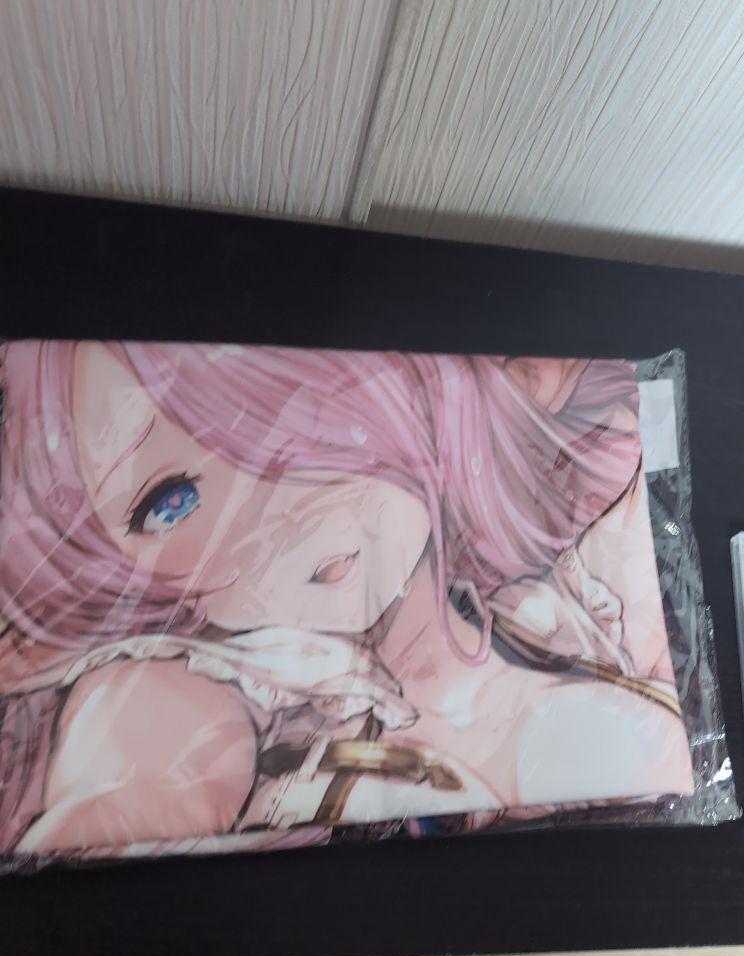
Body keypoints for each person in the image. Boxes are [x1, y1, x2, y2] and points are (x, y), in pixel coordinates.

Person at [0, 340, 693, 860]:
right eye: (169, 504)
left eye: (273, 415)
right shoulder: (188, 701)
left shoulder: (566, 618)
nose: (273, 517)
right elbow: (128, 787)